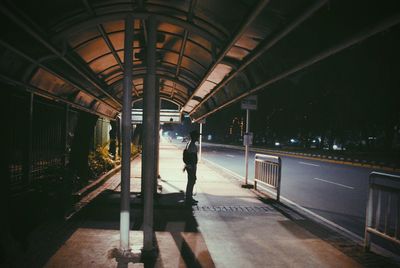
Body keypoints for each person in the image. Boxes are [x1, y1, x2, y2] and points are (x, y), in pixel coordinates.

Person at [184, 130, 200, 205]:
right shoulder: (192, 145)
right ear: (194, 137)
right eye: (197, 136)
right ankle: (189, 199)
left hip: (189, 166)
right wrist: (193, 170)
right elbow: (193, 158)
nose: (198, 137)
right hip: (191, 167)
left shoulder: (189, 143)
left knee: (190, 182)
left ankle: (189, 197)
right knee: (191, 182)